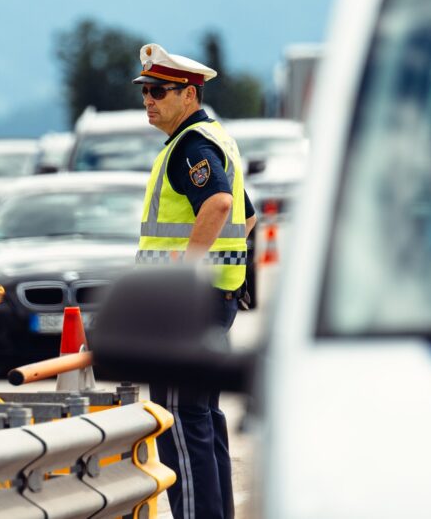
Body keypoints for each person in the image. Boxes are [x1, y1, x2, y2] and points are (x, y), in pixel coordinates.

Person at [133, 43, 257, 519]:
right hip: (213, 301)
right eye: (146, 91)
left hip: (188, 305)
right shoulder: (214, 137)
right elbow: (245, 215)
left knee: (181, 422)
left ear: (188, 94)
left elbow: (222, 205)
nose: (149, 100)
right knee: (202, 417)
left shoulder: (192, 145)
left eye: (159, 91)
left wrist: (187, 272)